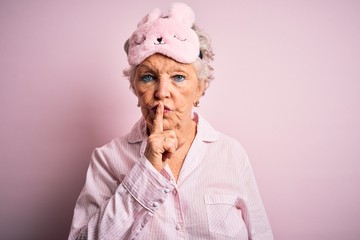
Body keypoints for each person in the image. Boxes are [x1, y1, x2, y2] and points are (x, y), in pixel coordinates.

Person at [68, 2, 273, 240]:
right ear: (134, 88)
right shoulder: (107, 159)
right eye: (148, 77)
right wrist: (147, 171)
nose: (162, 92)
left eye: (178, 77)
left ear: (201, 87)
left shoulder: (230, 153)